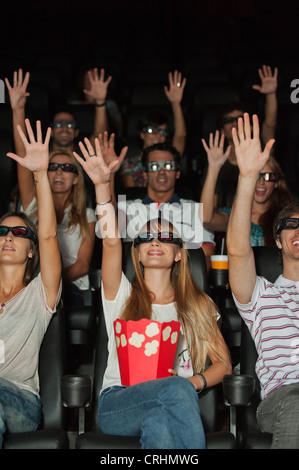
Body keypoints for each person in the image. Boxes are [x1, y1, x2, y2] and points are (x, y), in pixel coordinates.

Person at [72, 135, 232, 449]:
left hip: (172, 400)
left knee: (160, 425)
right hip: (118, 402)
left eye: (165, 238)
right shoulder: (121, 295)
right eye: (146, 238)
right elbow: (112, 240)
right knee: (173, 390)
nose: (155, 241)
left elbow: (224, 365)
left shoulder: (198, 304)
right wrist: (104, 187)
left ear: (178, 254)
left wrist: (192, 383)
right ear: (139, 253)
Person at [226, 112, 299, 449]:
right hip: (285, 398)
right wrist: (247, 176)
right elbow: (239, 249)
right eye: (292, 226)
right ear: (278, 239)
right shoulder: (262, 295)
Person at [5, 70, 96, 310]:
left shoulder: (87, 215)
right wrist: (17, 111)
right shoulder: (31, 203)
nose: (58, 172)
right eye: (53, 167)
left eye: (67, 168)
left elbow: (83, 266)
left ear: (76, 178)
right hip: (28, 286)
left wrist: (48, 282)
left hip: (71, 287)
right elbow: (23, 159)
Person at [0, 119, 62, 447]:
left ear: (31, 251)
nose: (9, 236)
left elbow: (50, 233)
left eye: (20, 232)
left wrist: (40, 174)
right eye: (2, 231)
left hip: (19, 400)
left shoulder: (40, 293)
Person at [117, 142, 216, 267]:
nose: (162, 171)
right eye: (154, 166)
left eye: (169, 166)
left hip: (183, 283)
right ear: (145, 173)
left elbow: (205, 258)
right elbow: (108, 233)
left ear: (178, 172)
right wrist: (106, 179)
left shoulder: (196, 211)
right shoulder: (126, 208)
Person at [200, 129, 293, 247]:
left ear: (276, 183)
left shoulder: (285, 217)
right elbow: (206, 219)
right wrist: (214, 167)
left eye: (268, 177)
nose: (261, 182)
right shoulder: (234, 217)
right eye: (256, 176)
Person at [213, 65, 278, 207]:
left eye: (240, 118)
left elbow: (270, 123)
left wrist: (271, 95)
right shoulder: (216, 161)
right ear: (222, 131)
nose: (235, 123)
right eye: (228, 121)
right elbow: (210, 212)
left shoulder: (261, 152)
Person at [120, 70, 187, 188]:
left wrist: (175, 104)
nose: (158, 136)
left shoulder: (170, 158)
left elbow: (180, 137)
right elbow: (129, 193)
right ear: (141, 134)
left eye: (162, 132)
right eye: (152, 131)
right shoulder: (131, 163)